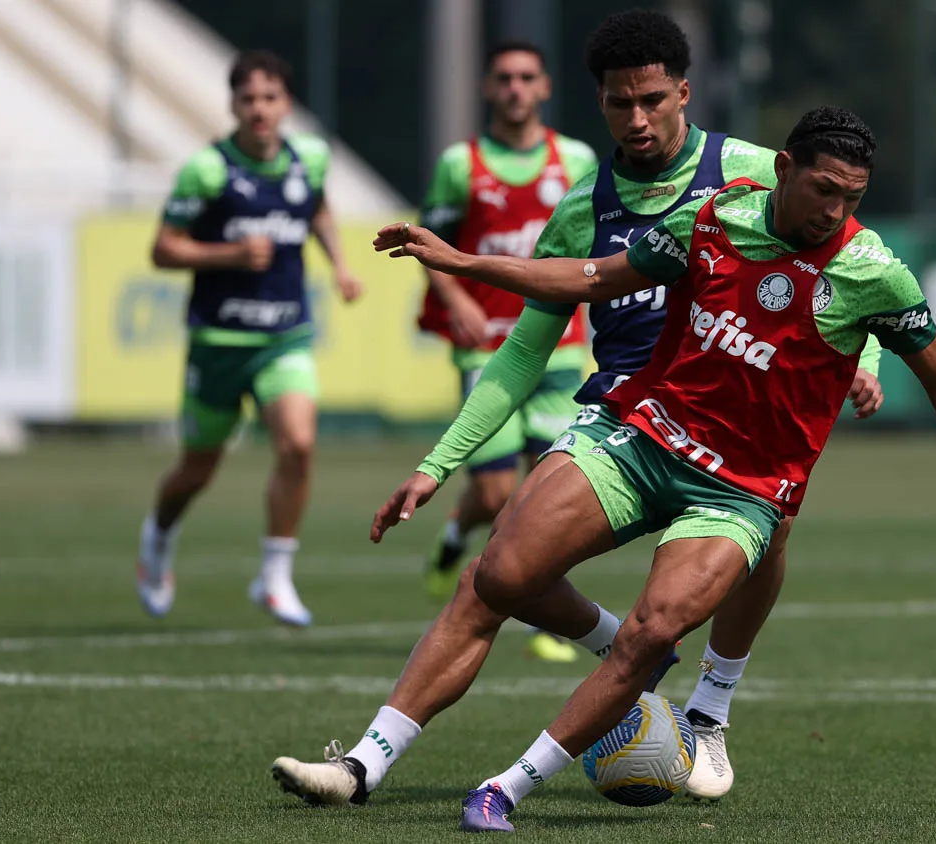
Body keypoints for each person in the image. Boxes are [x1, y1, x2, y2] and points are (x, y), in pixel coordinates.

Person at [268, 10, 881, 808]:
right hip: (629, 423)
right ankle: (361, 765)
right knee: (497, 576)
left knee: (776, 523)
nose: (638, 119)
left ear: (684, 93)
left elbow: (852, 259)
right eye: (621, 104)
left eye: (653, 100)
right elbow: (523, 352)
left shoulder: (761, 170)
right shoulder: (581, 208)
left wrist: (863, 358)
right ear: (599, 102)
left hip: (744, 427)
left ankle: (710, 713)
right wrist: (436, 465)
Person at [371, 105, 936, 833]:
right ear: (784, 169)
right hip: (646, 439)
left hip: (740, 490)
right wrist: (462, 262)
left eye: (852, 197)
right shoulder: (711, 221)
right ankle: (375, 757)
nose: (835, 211)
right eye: (824, 190)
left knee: (652, 632)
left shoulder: (872, 271)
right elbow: (593, 279)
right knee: (499, 575)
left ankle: (505, 789)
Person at [135, 50, 363, 626]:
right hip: (218, 342)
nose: (259, 109)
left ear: (286, 104)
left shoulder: (309, 158)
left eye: (270, 98)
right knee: (198, 469)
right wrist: (229, 252)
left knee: (298, 444)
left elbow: (318, 210)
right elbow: (164, 248)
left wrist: (339, 264)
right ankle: (158, 538)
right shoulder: (207, 171)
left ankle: (275, 574)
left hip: (284, 336)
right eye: (248, 98)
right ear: (233, 103)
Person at [415, 40, 598, 664]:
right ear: (488, 89)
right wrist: (456, 299)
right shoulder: (459, 164)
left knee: (547, 497)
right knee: (494, 496)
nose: (516, 88)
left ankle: (546, 613)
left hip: (563, 350)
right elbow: (430, 242)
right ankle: (454, 536)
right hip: (487, 348)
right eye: (504, 78)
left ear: (544, 87)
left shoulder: (575, 158)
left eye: (527, 77)